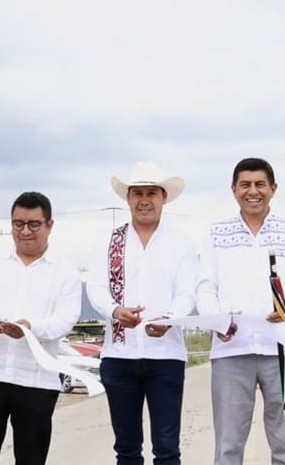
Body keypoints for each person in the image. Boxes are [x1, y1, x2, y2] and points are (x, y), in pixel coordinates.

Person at [197, 157, 285, 465]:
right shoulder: (216, 232)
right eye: (245, 185)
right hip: (231, 349)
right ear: (234, 189)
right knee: (228, 446)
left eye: (260, 184)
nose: (253, 191)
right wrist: (218, 320)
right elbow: (205, 285)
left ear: (273, 189)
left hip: (283, 350)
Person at [86, 163, 198, 465]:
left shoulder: (183, 242)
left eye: (152, 193)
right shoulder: (110, 241)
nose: (144, 200)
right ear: (128, 198)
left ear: (164, 197)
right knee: (126, 448)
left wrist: (169, 317)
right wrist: (114, 310)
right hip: (119, 355)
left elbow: (188, 292)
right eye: (137, 193)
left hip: (166, 357)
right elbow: (95, 286)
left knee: (167, 448)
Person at [0, 192, 83, 465]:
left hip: (36, 380)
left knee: (31, 458)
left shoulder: (65, 271)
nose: (25, 231)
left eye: (34, 224)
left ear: (49, 225)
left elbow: (66, 318)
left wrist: (31, 328)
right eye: (18, 223)